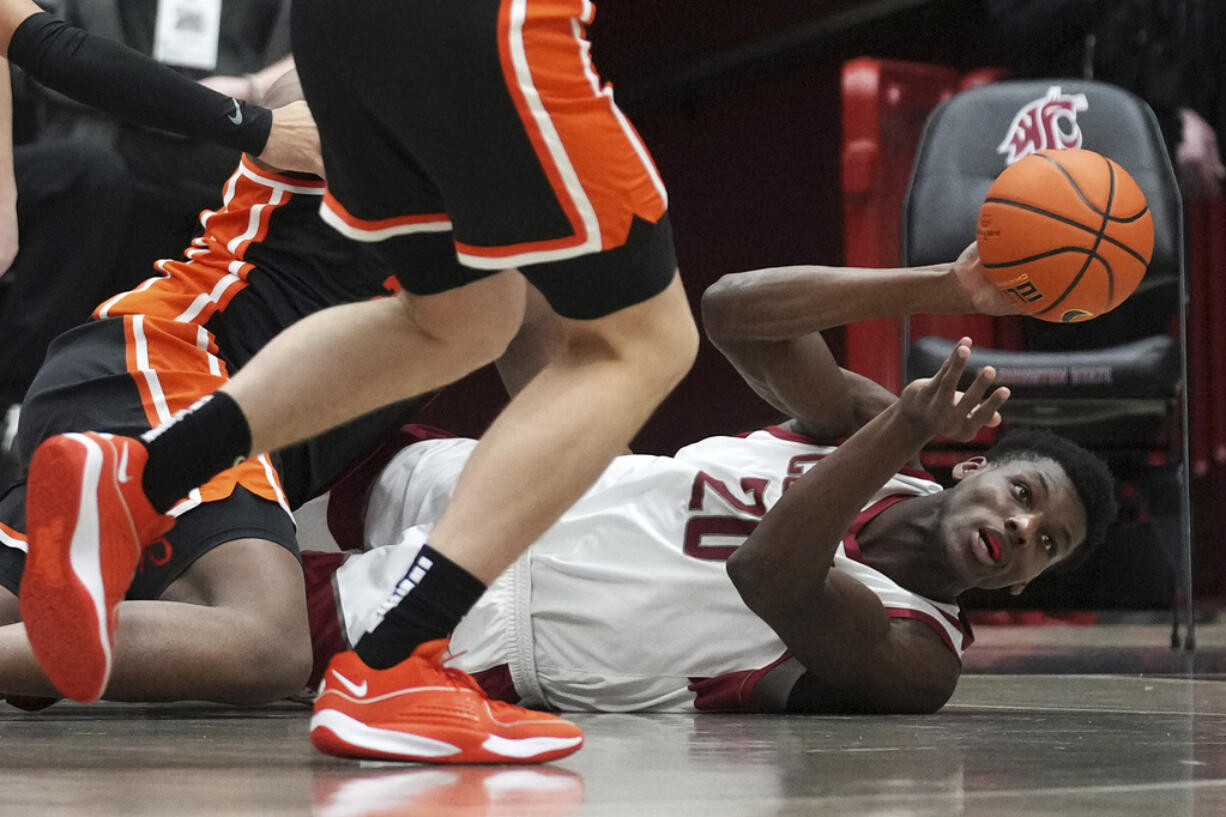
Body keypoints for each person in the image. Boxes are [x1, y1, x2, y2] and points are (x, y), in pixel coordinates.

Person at [20, 0, 699, 765]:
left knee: (460, 318)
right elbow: (44, 40)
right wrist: (250, 120)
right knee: (643, 341)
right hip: (160, 356)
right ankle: (395, 663)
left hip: (338, 32)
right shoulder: (285, 108)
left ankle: (141, 479)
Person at [291, 246, 1115, 733]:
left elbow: (770, 572)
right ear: (974, 466)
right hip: (500, 476)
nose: (1022, 527)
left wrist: (898, 427)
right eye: (1027, 494)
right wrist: (941, 286)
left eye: (1048, 543)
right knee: (207, 474)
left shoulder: (921, 656)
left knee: (231, 616)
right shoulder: (869, 429)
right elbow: (733, 310)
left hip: (497, 625)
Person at [0, 69, 426, 707]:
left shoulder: (535, 202)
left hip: (157, 409)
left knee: (27, 632)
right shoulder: (345, 96)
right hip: (165, 369)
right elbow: (293, 93)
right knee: (266, 642)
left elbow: (569, 375)